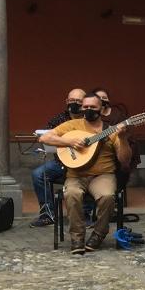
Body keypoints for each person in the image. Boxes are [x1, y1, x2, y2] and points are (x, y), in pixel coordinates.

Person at [39, 94, 131, 255]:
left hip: (103, 175)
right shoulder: (72, 125)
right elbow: (44, 138)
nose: (88, 110)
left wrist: (122, 138)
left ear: (102, 109)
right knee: (72, 194)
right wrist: (69, 142)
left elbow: (125, 160)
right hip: (76, 175)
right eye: (86, 107)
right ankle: (77, 237)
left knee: (107, 196)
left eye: (93, 107)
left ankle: (99, 233)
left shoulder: (111, 130)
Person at [30, 87, 86, 227]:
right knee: (38, 174)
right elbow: (46, 137)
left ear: (85, 102)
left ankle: (86, 214)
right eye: (71, 100)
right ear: (66, 101)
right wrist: (68, 142)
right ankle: (48, 214)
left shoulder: (90, 120)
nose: (74, 103)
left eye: (78, 101)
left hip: (85, 163)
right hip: (60, 163)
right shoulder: (58, 120)